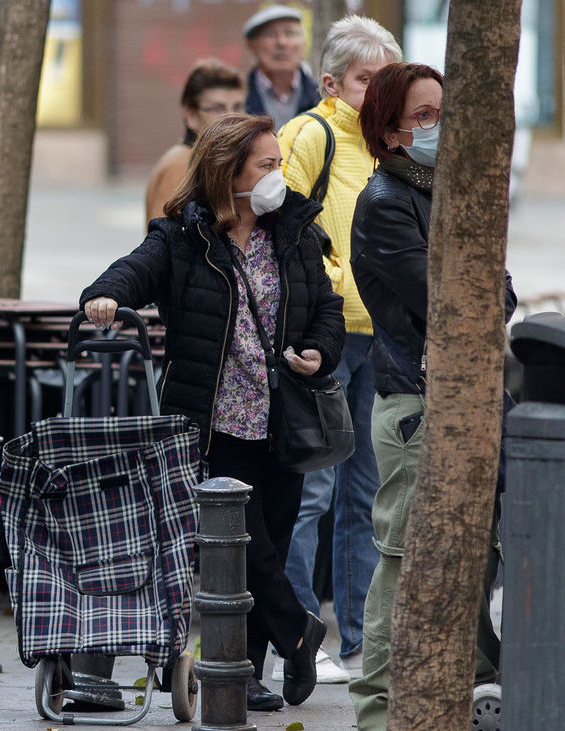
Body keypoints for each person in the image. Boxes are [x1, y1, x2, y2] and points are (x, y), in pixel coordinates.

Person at [82, 113, 345, 713]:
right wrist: (105, 296)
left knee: (268, 545)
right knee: (236, 543)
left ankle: (246, 671)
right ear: (229, 171)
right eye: (267, 165)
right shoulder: (182, 235)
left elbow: (325, 310)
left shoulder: (295, 231)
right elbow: (132, 270)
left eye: (279, 163)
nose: (278, 174)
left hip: (282, 416)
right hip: (212, 419)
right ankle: (299, 633)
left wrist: (318, 352)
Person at [347, 62, 516, 731]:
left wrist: (482, 289)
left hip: (463, 401)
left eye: (444, 111)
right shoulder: (388, 201)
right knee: (404, 559)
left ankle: (473, 686)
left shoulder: (450, 195)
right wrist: (480, 290)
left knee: (476, 550)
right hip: (416, 405)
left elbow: (496, 294)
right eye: (423, 116)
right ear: (389, 130)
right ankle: (379, 705)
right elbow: (454, 299)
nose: (438, 127)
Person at [272, 15, 402, 685]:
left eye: (387, 79)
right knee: (312, 491)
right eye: (365, 79)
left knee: (365, 494)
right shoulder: (310, 135)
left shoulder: (393, 148)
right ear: (331, 82)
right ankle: (296, 632)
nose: (378, 91)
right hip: (321, 339)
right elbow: (278, 228)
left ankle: (357, 640)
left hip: (378, 336)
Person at [145, 59, 245, 224]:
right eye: (218, 109)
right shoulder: (182, 163)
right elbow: (162, 241)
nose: (232, 117)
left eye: (237, 107)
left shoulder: (204, 161)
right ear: (191, 115)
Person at [242, 4, 320, 130]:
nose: (281, 43)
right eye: (270, 34)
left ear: (304, 43)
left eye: (290, 33)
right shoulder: (237, 100)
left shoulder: (322, 97)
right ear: (251, 45)